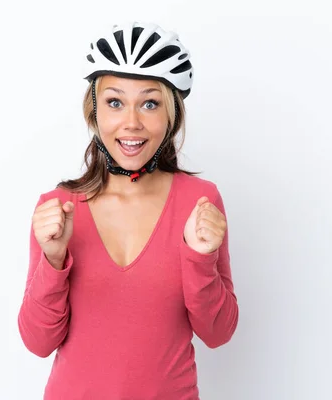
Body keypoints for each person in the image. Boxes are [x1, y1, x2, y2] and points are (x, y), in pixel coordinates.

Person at [17, 21, 239, 400]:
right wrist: (53, 261)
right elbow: (38, 341)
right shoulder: (58, 208)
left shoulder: (199, 203)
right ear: (95, 111)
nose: (131, 123)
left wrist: (201, 259)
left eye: (149, 103)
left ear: (170, 115)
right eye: (115, 102)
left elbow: (218, 333)